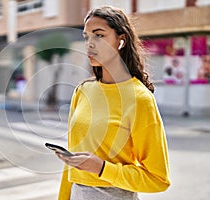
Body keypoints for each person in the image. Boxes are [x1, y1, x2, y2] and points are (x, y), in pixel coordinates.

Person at [56, 5, 171, 200]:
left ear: (121, 40)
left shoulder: (140, 99)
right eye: (86, 37)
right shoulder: (83, 91)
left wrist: (102, 168)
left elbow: (158, 179)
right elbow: (71, 168)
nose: (90, 44)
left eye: (99, 35)